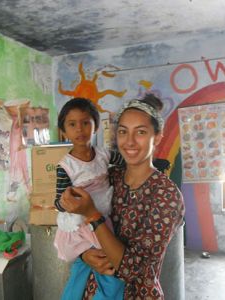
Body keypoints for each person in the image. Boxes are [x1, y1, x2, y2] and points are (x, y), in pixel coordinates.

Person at [60, 94, 185, 299]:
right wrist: (84, 254)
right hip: (92, 291)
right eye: (123, 132)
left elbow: (136, 270)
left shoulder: (166, 195)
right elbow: (76, 227)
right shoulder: (109, 177)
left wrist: (93, 214)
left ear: (158, 137)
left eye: (141, 132)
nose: (130, 142)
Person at [53, 98, 125, 300]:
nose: (80, 129)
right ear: (63, 131)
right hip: (81, 221)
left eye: (86, 122)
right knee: (109, 269)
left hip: (101, 216)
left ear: (96, 126)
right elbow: (57, 202)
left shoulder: (104, 155)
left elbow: (127, 163)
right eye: (72, 124)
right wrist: (66, 201)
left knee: (82, 267)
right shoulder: (65, 166)